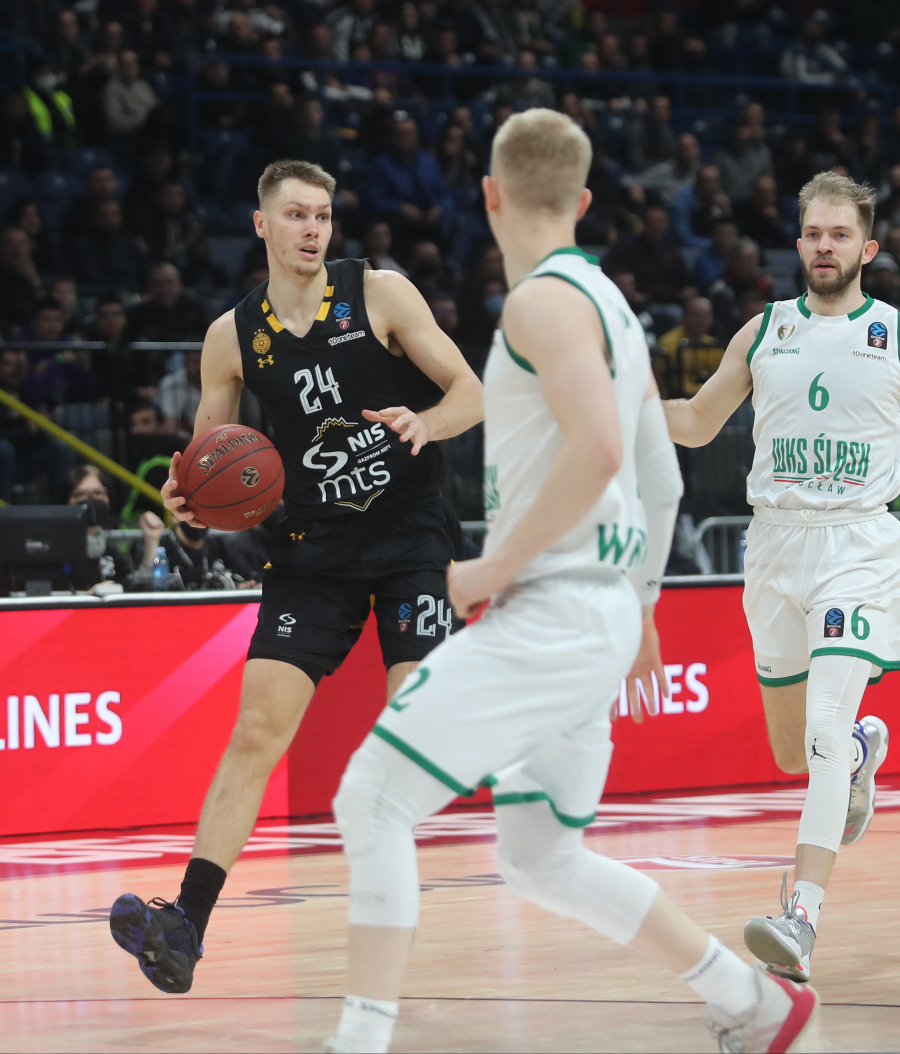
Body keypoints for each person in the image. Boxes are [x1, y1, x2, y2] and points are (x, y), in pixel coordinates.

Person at [325, 108, 817, 1054]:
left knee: (371, 800)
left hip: (551, 607)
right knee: (540, 856)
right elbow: (660, 477)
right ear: (585, 201)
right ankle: (756, 1003)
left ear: (489, 194)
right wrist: (644, 606)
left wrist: (490, 568)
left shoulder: (541, 303)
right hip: (597, 610)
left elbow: (598, 451)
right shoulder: (614, 308)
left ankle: (358, 1041)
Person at [108, 158, 483, 992]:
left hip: (410, 533)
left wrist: (426, 421)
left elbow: (471, 391)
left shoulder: (380, 294)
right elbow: (208, 466)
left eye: (322, 215)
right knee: (255, 731)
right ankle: (185, 927)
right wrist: (185, 501)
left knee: (413, 728)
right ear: (262, 225)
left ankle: (390, 912)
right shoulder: (230, 337)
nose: (313, 229)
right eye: (296, 215)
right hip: (313, 548)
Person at [664, 171, 893, 983]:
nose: (825, 246)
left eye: (840, 235)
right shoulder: (764, 330)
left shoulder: (893, 335)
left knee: (822, 727)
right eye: (814, 233)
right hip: (772, 547)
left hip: (859, 545)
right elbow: (697, 423)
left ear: (868, 248)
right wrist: (613, 405)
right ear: (797, 243)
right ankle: (862, 752)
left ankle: (802, 917)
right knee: (794, 751)